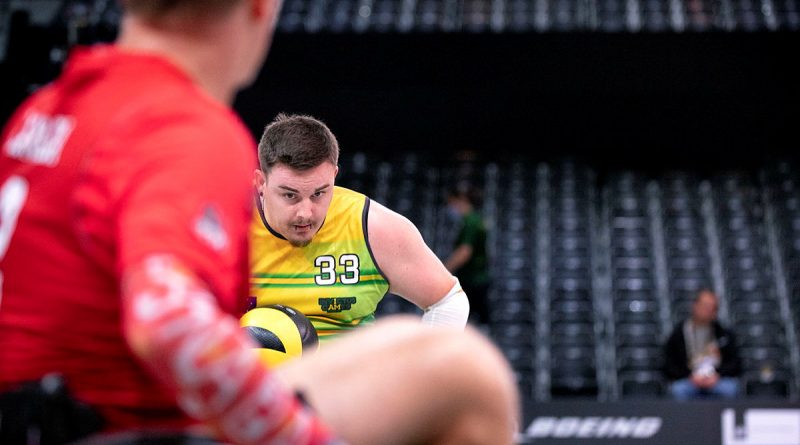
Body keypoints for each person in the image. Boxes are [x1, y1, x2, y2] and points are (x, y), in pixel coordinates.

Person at [0, 1, 519, 444]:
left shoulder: (42, 112)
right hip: (116, 424)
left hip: (32, 412)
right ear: (260, 9)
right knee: (465, 374)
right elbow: (167, 320)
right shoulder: (184, 129)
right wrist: (297, 434)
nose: (305, 210)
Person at [250, 114, 470, 338]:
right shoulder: (229, 229)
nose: (305, 213)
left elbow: (448, 300)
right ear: (261, 183)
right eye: (290, 195)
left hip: (347, 372)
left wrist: (425, 371)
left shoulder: (372, 227)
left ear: (334, 177)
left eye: (319, 193)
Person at [663, 289, 742, 400]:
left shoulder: (723, 333)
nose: (709, 310)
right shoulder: (679, 333)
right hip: (689, 379)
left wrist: (717, 375)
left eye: (713, 307)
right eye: (705, 306)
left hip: (716, 379)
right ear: (695, 306)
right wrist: (689, 376)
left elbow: (735, 363)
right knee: (678, 390)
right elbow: (669, 364)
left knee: (730, 388)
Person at [443, 181, 491, 326]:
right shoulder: (473, 220)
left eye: (452, 202)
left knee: (466, 322)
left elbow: (465, 252)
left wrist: (444, 270)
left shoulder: (471, 222)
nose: (450, 207)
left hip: (473, 280)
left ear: (462, 200)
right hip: (474, 278)